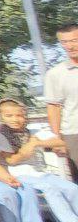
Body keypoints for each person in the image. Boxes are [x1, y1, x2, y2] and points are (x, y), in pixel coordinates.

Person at [0, 97, 78, 222]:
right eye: (9, 116)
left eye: (19, 115)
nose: (15, 119)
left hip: (39, 173)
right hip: (17, 175)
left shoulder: (31, 132)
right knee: (50, 189)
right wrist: (28, 147)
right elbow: (11, 160)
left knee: (72, 188)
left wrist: (37, 143)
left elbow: (59, 141)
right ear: (0, 117)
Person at [45, 23, 78, 180]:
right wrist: (57, 139)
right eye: (64, 42)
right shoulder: (55, 74)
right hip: (74, 133)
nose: (70, 46)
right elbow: (53, 108)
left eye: (74, 40)